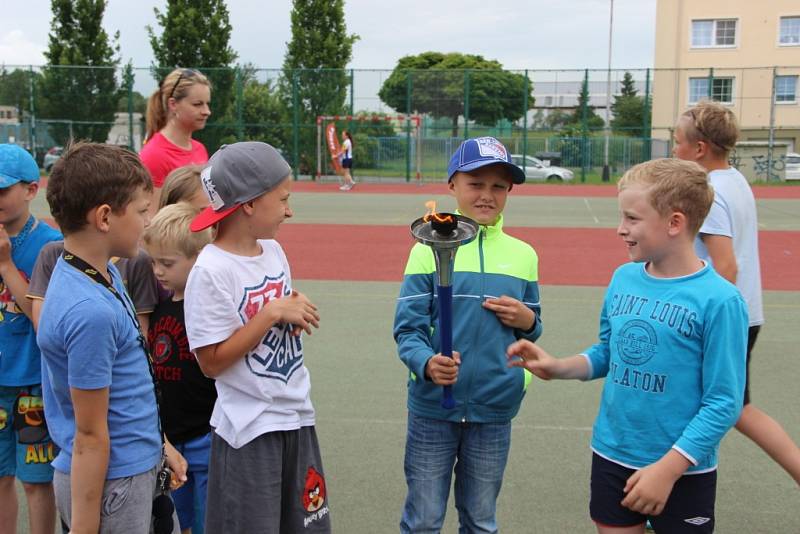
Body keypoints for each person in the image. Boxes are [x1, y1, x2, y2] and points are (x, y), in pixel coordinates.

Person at [507, 158, 748, 533]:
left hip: (684, 469)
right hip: (612, 454)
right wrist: (558, 367)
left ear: (674, 223)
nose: (621, 229)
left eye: (632, 219)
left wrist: (667, 470)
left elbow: (724, 403)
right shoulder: (623, 278)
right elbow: (608, 351)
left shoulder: (720, 300)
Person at [393, 136, 542, 533]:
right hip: (433, 409)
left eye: (498, 186)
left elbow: (534, 327)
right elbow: (407, 329)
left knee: (480, 520)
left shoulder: (523, 254)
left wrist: (527, 318)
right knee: (423, 519)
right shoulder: (427, 247)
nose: (487, 195)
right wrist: (427, 364)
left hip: (494, 408)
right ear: (452, 186)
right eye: (475, 183)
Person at [37, 142, 186, 534]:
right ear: (104, 217)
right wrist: (85, 527)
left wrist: (159, 445)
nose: (149, 221)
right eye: (141, 211)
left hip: (131, 465)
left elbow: (127, 386)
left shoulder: (101, 273)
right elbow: (88, 435)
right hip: (114, 484)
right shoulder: (90, 311)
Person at [183, 142, 328, 533]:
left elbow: (277, 311)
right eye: (282, 199)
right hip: (249, 429)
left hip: (296, 415)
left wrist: (292, 311)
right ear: (248, 203)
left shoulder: (275, 251)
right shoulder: (210, 271)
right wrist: (270, 314)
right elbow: (210, 361)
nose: (289, 210)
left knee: (307, 524)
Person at [672, 100, 800, 485]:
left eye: (677, 141)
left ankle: (663, 491)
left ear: (699, 149)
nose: (674, 148)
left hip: (722, 319)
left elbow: (726, 265)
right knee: (731, 407)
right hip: (746, 314)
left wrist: (701, 324)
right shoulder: (735, 179)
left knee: (723, 408)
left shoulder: (708, 191)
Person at [0, 144, 62, 534]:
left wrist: (6, 264)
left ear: (30, 190)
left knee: (36, 481)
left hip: (32, 384)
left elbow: (45, 320)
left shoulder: (48, 246)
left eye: (3, 190)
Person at [143, 203, 215, 534]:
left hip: (207, 434)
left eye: (167, 263)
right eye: (154, 262)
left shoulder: (209, 309)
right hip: (171, 438)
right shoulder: (159, 309)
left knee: (209, 519)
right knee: (176, 520)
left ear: (199, 258)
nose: (157, 271)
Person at [141, 68, 211, 213]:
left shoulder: (200, 149)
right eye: (197, 104)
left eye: (207, 103)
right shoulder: (154, 155)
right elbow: (152, 221)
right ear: (173, 104)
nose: (206, 111)